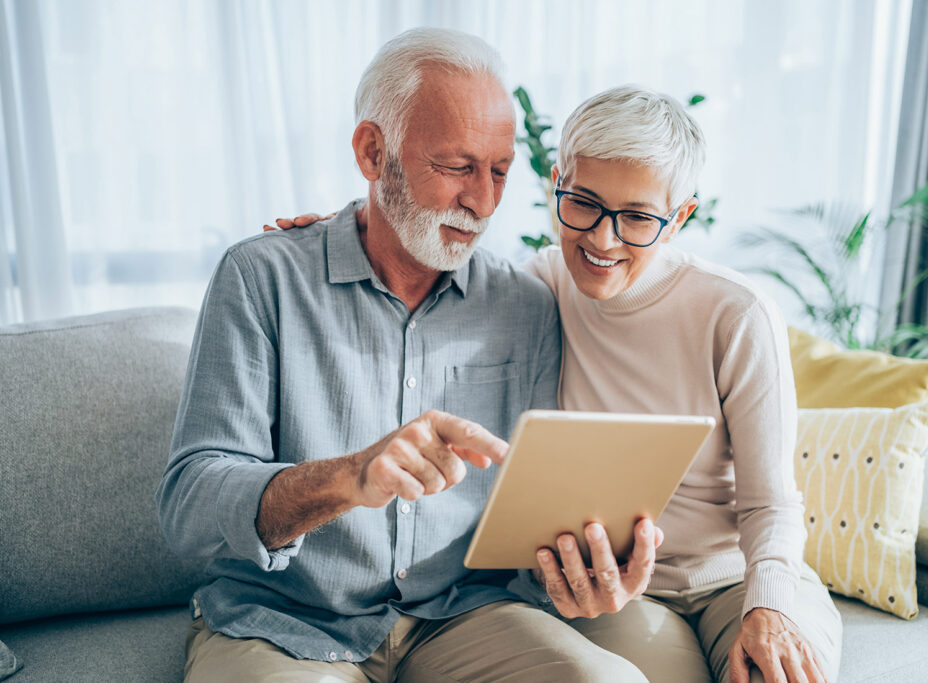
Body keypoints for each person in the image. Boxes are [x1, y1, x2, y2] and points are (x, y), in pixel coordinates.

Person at [276, 85, 843, 682]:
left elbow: (770, 502)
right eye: (584, 204)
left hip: (739, 575)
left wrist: (770, 606)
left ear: (679, 219)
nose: (603, 239)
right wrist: (346, 232)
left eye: (638, 218)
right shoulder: (537, 289)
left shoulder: (736, 313)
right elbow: (424, 260)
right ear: (556, 185)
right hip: (613, 587)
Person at [157, 28, 653, 682]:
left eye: (499, 171)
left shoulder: (527, 305)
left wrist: (588, 567)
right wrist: (349, 477)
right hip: (285, 622)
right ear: (371, 151)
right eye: (455, 166)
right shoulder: (260, 277)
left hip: (462, 617)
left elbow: (533, 514)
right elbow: (189, 502)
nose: (481, 201)